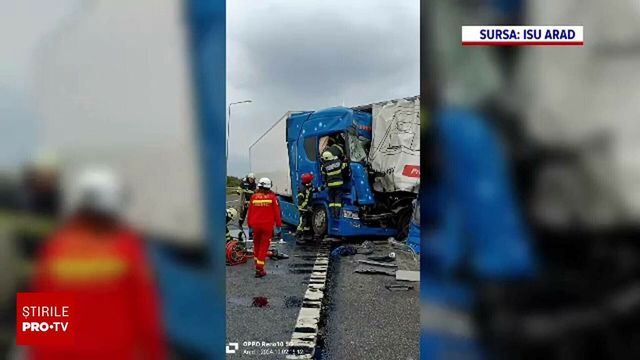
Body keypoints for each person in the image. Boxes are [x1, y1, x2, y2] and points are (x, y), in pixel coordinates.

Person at [28, 167, 167, 360]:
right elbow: (146, 315)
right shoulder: (127, 248)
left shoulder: (55, 248)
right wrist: (155, 354)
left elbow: (41, 319)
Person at [247, 177, 282, 278]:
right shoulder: (272, 197)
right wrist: (279, 224)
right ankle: (259, 268)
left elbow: (250, 212)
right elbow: (277, 212)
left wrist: (249, 224)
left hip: (255, 225)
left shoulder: (253, 197)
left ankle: (257, 264)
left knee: (256, 244)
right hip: (267, 226)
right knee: (264, 247)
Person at [296, 173, 324, 239]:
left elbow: (314, 190)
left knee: (308, 222)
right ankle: (298, 236)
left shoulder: (309, 187)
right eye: (311, 180)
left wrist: (322, 188)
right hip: (303, 209)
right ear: (308, 181)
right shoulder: (302, 189)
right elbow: (300, 201)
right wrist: (305, 208)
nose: (312, 181)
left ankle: (306, 235)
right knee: (302, 223)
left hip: (307, 208)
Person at [320, 151, 348, 218]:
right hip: (339, 184)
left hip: (330, 185)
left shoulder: (324, 167)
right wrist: (346, 160)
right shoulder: (338, 162)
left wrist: (325, 184)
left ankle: (332, 214)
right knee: (338, 199)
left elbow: (323, 177)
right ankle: (337, 214)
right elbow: (345, 166)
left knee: (331, 200)